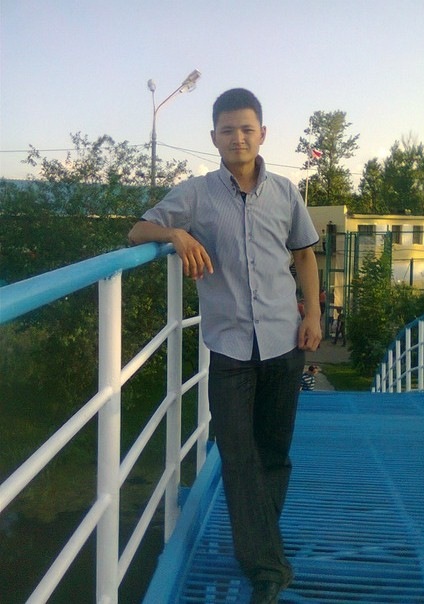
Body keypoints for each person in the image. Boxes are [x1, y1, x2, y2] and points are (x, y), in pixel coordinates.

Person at [128, 88, 321, 604]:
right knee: (237, 455)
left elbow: (305, 255)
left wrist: (314, 315)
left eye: (247, 129)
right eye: (228, 130)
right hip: (231, 349)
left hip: (284, 342)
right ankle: (267, 567)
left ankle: (261, 550)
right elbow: (137, 230)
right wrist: (176, 236)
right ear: (213, 137)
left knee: (274, 453)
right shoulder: (195, 195)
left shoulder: (286, 192)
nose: (238, 138)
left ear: (263, 134)